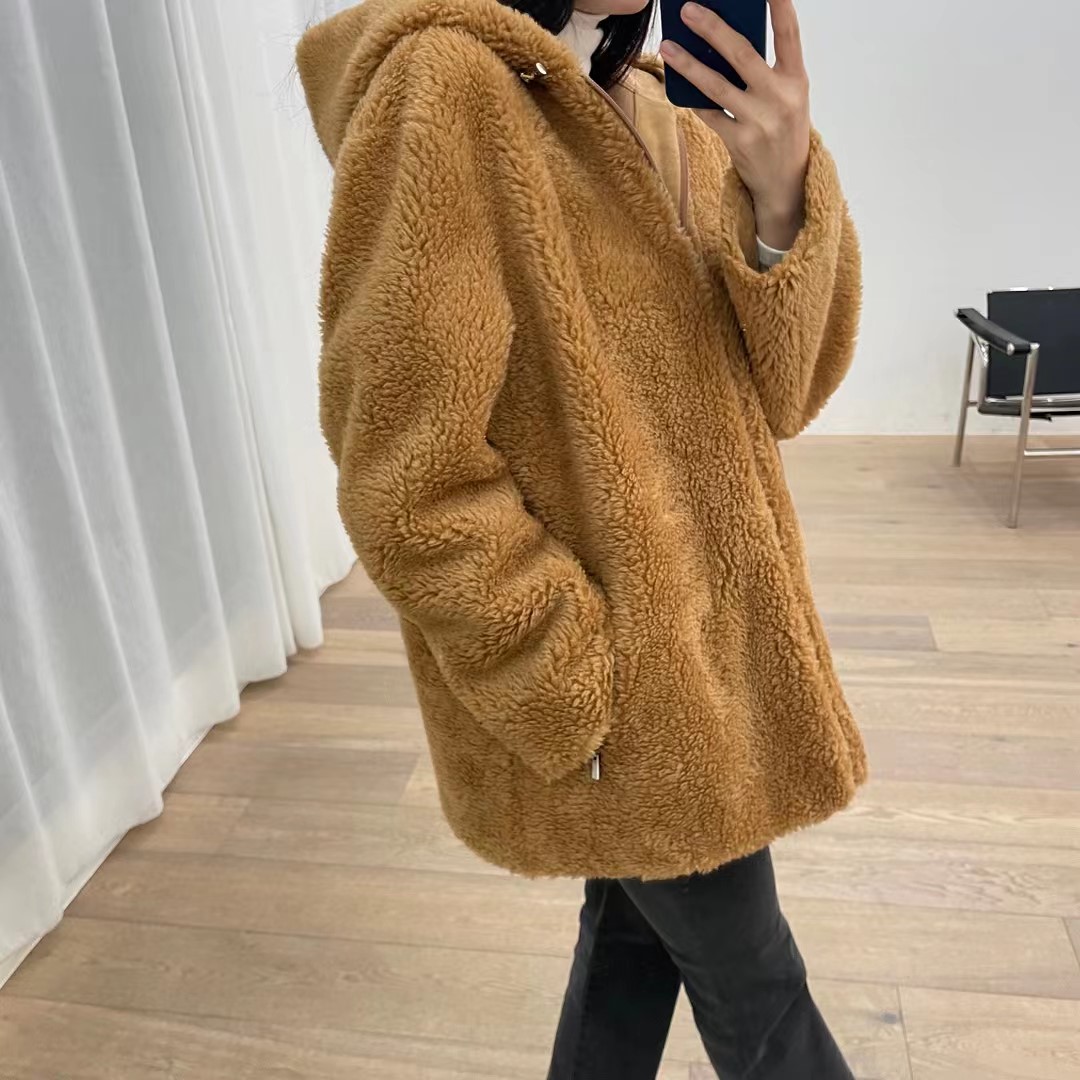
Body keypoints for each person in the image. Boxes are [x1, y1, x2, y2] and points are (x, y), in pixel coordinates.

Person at [296, 0, 865, 1074]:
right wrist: (569, 680)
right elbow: (405, 474)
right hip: (633, 697)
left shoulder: (655, 101)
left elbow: (786, 392)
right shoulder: (446, 86)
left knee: (630, 949)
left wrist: (783, 191)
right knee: (760, 992)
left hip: (712, 666)